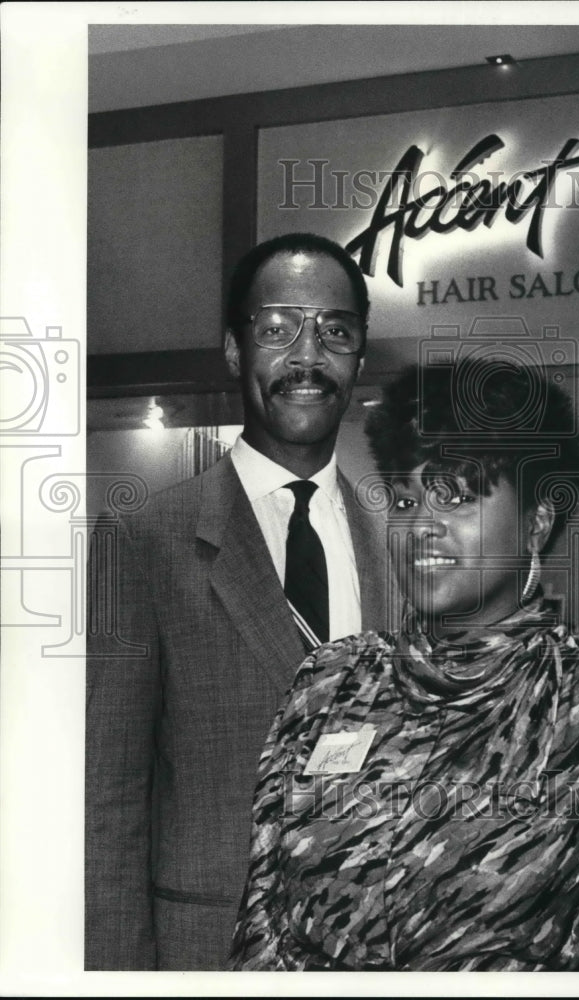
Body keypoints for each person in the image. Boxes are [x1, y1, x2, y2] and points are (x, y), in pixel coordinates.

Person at [227, 356, 579, 972]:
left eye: (457, 497)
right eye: (405, 498)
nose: (421, 525)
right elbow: (263, 921)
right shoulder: (331, 683)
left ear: (536, 522)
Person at [85, 233, 397, 970]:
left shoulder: (393, 545)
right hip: (207, 950)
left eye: (335, 331)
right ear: (234, 350)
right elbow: (109, 801)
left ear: (358, 356)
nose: (307, 357)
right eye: (277, 328)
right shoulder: (145, 540)